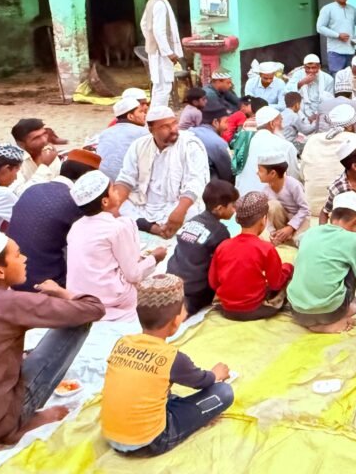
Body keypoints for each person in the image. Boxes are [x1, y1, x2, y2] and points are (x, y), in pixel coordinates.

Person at [0, 229, 105, 449]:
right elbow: (93, 308)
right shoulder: (10, 303)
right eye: (17, 255)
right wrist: (61, 292)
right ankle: (17, 426)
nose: (25, 258)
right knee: (78, 320)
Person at [101, 274, 233, 456]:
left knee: (159, 390)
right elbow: (204, 382)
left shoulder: (122, 343)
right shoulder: (171, 358)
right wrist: (216, 374)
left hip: (111, 435)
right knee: (223, 393)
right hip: (151, 442)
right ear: (175, 322)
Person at [66, 169, 165, 322]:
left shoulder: (76, 226)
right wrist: (154, 258)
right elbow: (133, 275)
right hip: (110, 300)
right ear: (105, 201)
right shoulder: (116, 227)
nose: (117, 192)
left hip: (77, 297)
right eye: (113, 190)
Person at [7, 149, 101, 292]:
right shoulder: (75, 202)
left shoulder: (32, 189)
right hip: (47, 285)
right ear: (84, 180)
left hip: (13, 278)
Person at [116, 106, 211, 238]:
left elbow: (195, 183)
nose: (173, 130)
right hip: (145, 206)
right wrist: (114, 204)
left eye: (174, 123)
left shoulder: (190, 145)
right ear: (151, 130)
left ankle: (150, 226)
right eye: (165, 127)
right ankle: (152, 227)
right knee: (120, 205)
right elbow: (126, 178)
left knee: (194, 211)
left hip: (179, 204)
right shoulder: (139, 145)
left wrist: (179, 212)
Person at [287, 191, 356, 333]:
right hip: (330, 312)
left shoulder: (310, 233)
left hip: (297, 310)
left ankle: (314, 324)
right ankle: (333, 320)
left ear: (330, 216)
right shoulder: (355, 240)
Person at [209, 192, 293, 321]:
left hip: (227, 309)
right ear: (263, 220)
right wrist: (287, 268)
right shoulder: (266, 248)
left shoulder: (223, 246)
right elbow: (276, 284)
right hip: (253, 309)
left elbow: (213, 283)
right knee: (286, 280)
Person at [166, 179, 238, 315]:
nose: (235, 210)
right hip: (195, 290)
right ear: (220, 209)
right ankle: (184, 311)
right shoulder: (220, 232)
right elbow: (224, 265)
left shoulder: (192, 221)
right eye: (233, 206)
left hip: (172, 280)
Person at [236, 105, 301, 196]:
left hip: (243, 198)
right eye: (280, 121)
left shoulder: (246, 144)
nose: (282, 126)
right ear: (272, 124)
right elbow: (295, 178)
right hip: (268, 203)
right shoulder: (285, 146)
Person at [140, 0, 184, 107]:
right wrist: (168, 52)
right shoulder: (160, 5)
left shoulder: (151, 2)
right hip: (161, 53)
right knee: (164, 86)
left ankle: (155, 115)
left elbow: (144, 24)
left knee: (159, 86)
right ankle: (158, 116)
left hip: (157, 50)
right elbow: (159, 30)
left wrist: (151, 40)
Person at [257, 150, 311, 247]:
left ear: (273, 173)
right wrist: (273, 232)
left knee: (301, 243)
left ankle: (289, 236)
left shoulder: (293, 185)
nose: (257, 173)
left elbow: (305, 209)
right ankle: (281, 236)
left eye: (260, 170)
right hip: (282, 221)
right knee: (271, 205)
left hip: (300, 221)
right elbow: (266, 214)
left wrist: (290, 228)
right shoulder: (265, 191)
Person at [98, 96, 150, 181]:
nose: (144, 114)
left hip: (105, 181)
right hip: (126, 183)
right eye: (140, 112)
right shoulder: (143, 133)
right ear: (130, 116)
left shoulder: (105, 132)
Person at [316, 0, 356, 73]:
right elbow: (320, 27)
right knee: (337, 77)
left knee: (350, 78)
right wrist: (337, 35)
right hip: (335, 51)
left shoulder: (352, 9)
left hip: (350, 50)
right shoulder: (327, 9)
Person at [10, 117, 61, 195]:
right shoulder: (12, 161)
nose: (44, 140)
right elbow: (21, 195)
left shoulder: (49, 153)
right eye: (36, 138)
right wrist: (44, 166)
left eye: (44, 134)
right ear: (21, 144)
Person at [317, 75, 356, 140]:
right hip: (347, 141)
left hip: (323, 139)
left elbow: (317, 129)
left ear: (335, 94)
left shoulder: (322, 105)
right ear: (350, 95)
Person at [190, 100, 235, 184]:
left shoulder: (189, 131)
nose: (227, 127)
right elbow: (227, 173)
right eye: (226, 122)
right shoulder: (218, 143)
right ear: (215, 122)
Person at [286, 54, 334, 122]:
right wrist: (302, 83)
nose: (311, 71)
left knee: (325, 96)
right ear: (304, 67)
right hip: (302, 110)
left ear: (319, 67)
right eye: (308, 68)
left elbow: (329, 100)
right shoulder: (298, 74)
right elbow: (287, 91)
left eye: (314, 68)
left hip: (320, 109)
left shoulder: (328, 79)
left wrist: (316, 114)